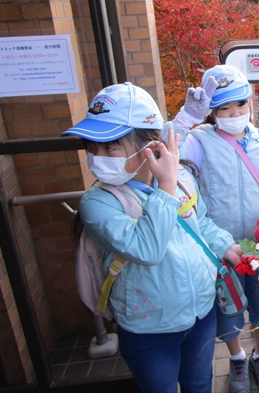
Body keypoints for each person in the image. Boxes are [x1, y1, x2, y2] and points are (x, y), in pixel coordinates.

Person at [63, 83, 241, 393]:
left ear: (149, 145)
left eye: (109, 148)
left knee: (200, 385)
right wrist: (166, 186)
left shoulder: (182, 179)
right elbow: (147, 248)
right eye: (91, 147)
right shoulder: (97, 202)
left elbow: (201, 225)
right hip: (147, 328)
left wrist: (228, 245)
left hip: (201, 313)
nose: (96, 157)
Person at [172, 65, 259, 393]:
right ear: (212, 111)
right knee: (227, 309)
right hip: (220, 248)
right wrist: (186, 118)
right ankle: (237, 356)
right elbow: (164, 152)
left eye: (240, 104)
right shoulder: (198, 142)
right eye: (224, 107)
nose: (234, 113)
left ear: (250, 102)